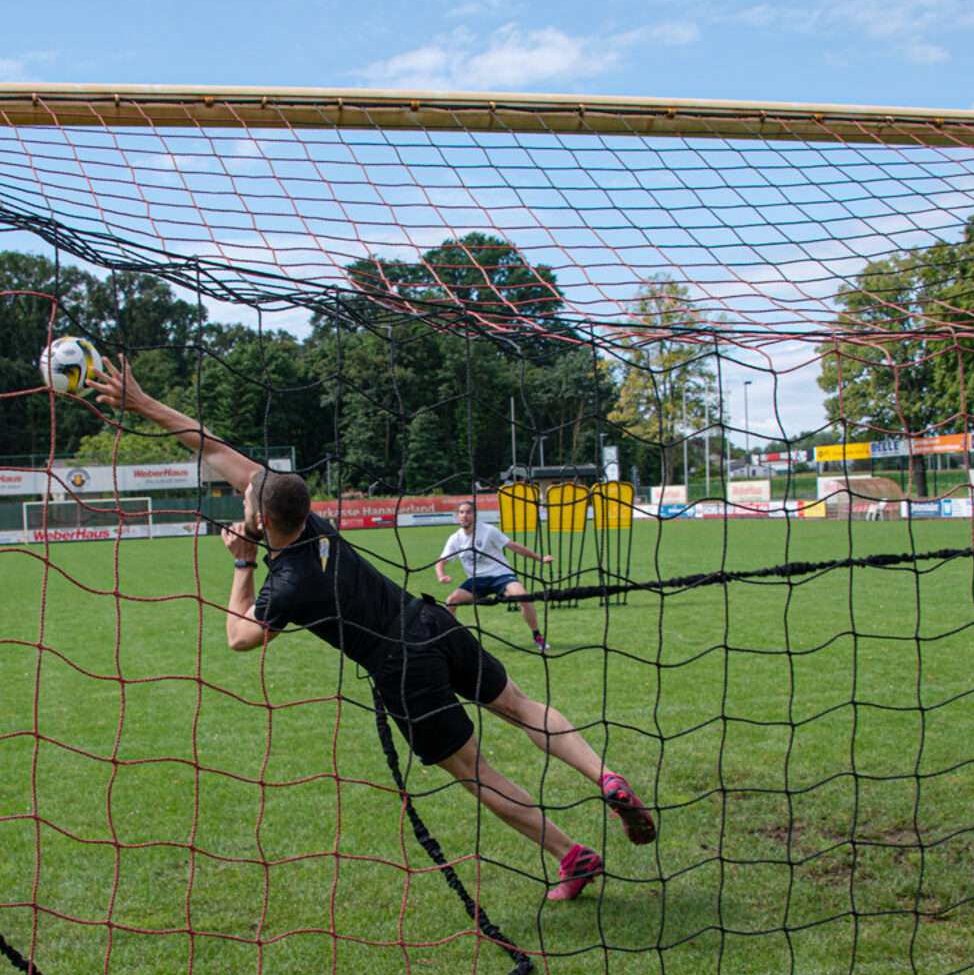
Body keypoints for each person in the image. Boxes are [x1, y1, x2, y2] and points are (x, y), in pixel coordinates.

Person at [92, 358, 655, 901]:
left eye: (246, 498)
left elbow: (239, 638)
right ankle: (604, 775)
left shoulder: (286, 582)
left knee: (478, 774)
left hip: (402, 667)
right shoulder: (309, 520)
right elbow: (214, 448)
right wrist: (142, 403)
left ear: (262, 518)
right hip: (431, 620)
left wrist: (242, 563)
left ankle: (569, 854)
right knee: (522, 705)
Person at [435, 501, 552, 653]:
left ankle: (537, 636)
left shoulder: (489, 531)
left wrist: (540, 558)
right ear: (457, 516)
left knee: (523, 596)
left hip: (501, 575)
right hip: (477, 581)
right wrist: (441, 575)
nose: (465, 516)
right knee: (451, 601)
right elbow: (441, 561)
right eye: (462, 512)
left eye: (468, 512)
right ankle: (452, 639)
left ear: (475, 515)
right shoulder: (455, 539)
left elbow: (513, 546)